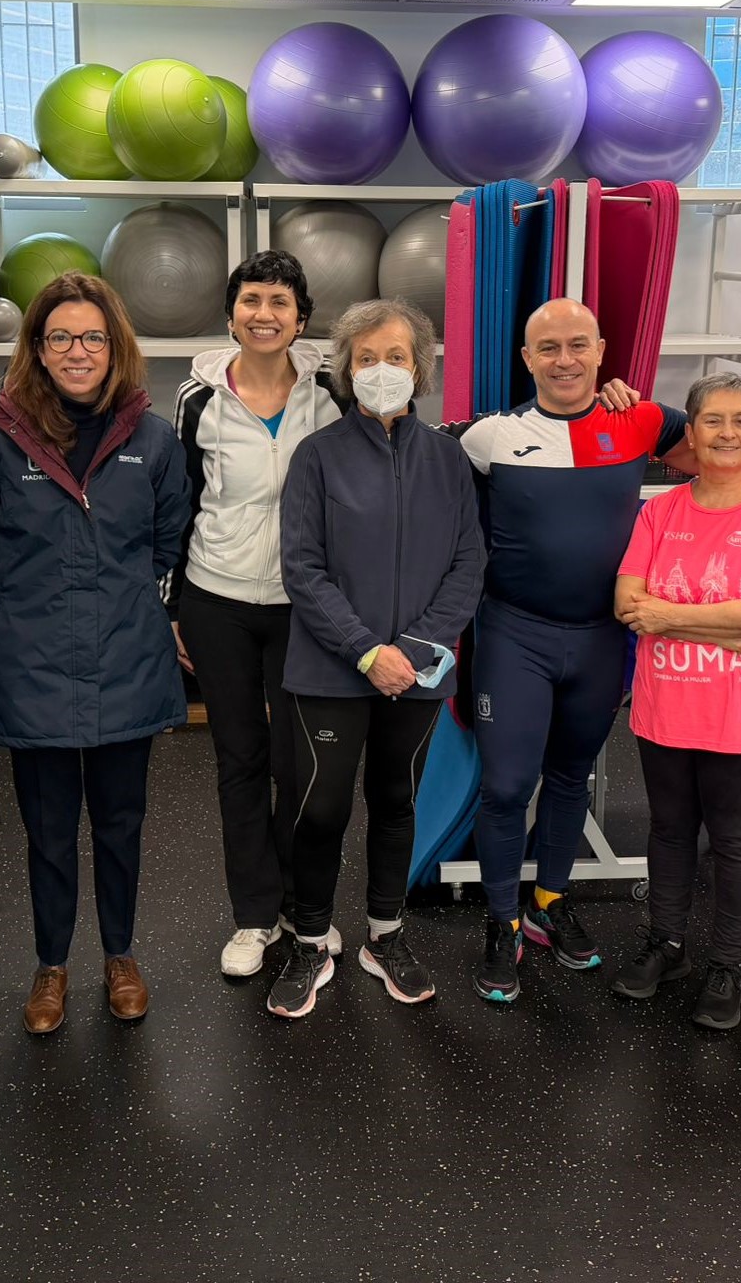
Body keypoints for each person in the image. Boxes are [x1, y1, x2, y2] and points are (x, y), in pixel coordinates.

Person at [0, 273, 190, 1035]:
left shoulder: (152, 440)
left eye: (92, 337)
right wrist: (28, 613)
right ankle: (51, 966)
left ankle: (120, 956)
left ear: (115, 347)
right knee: (49, 834)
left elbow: (166, 542)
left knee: (121, 825)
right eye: (60, 337)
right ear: (38, 348)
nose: (77, 351)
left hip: (126, 660)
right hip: (34, 669)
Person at [457, 298, 692, 1004]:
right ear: (527, 359)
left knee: (570, 779)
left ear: (601, 350)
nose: (565, 359)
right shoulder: (488, 437)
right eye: (549, 347)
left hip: (600, 637)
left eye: (578, 345)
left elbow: (726, 440)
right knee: (505, 787)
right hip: (515, 635)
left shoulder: (641, 420)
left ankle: (548, 903)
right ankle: (501, 919)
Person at [270, 298, 483, 1018]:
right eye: (367, 358)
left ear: (419, 368)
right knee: (321, 806)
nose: (382, 369)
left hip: (417, 672)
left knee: (397, 802)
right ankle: (309, 941)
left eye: (396, 357)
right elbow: (303, 568)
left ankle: (385, 936)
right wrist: (366, 651)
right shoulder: (318, 456)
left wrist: (414, 652)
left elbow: (468, 565)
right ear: (346, 369)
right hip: (331, 668)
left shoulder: (448, 460)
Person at [169, 250, 343, 980]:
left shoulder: (333, 394)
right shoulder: (197, 400)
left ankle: (304, 907)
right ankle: (253, 914)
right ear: (232, 312)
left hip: (306, 605)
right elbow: (179, 502)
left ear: (301, 319)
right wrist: (174, 604)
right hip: (218, 599)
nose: (263, 314)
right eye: (250, 300)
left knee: (300, 763)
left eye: (279, 302)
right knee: (238, 758)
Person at [613, 374, 741, 1029]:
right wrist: (727, 626)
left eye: (740, 421)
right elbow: (627, 603)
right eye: (712, 421)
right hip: (666, 706)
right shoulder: (659, 513)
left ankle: (727, 966)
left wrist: (667, 617)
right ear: (690, 433)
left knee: (734, 839)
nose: (726, 433)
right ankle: (666, 945)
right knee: (668, 830)